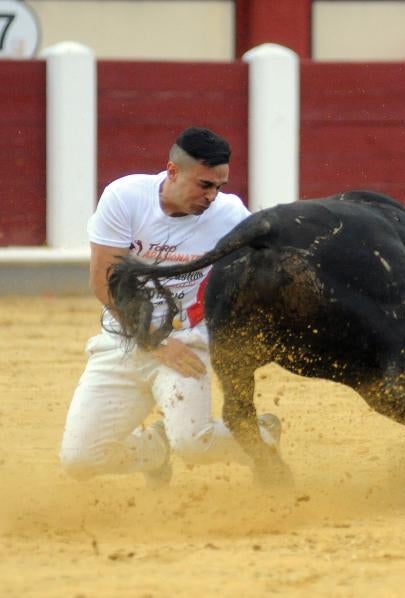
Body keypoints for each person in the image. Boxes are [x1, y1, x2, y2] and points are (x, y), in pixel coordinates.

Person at [59, 127, 281, 488]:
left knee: (194, 445)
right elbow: (104, 282)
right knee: (79, 459)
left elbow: (271, 260)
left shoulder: (229, 214)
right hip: (123, 342)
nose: (212, 196)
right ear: (172, 172)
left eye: (219, 186)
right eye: (204, 185)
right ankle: (154, 450)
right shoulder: (125, 197)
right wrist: (156, 342)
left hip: (187, 342)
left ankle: (262, 436)